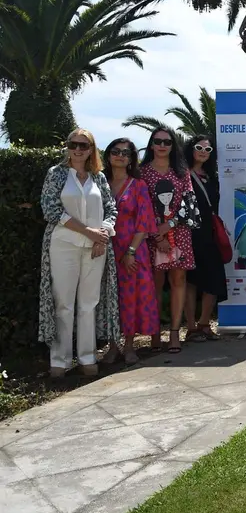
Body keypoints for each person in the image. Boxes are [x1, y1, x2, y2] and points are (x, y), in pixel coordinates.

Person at [38, 129, 121, 377]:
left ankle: (87, 358)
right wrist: (90, 232)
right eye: (73, 144)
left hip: (96, 248)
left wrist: (103, 234)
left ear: (91, 149)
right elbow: (51, 210)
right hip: (64, 245)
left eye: (83, 145)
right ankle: (59, 361)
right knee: (63, 302)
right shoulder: (57, 174)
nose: (78, 149)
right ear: (67, 146)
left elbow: (110, 208)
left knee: (89, 303)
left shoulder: (99, 178)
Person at [140, 127, 201, 354]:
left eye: (167, 142)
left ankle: (174, 333)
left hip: (180, 234)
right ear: (151, 144)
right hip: (151, 235)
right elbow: (141, 205)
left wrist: (170, 225)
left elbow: (190, 204)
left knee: (178, 281)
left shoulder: (181, 172)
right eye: (158, 141)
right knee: (155, 283)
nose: (162, 146)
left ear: (173, 146)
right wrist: (157, 232)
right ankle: (155, 333)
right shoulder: (142, 172)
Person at [102, 138, 157, 365]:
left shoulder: (138, 186)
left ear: (132, 159)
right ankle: (112, 346)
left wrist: (131, 251)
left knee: (130, 298)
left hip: (132, 250)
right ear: (108, 155)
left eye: (126, 153)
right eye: (116, 151)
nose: (120, 156)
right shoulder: (98, 183)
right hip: (103, 249)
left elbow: (144, 222)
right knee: (108, 297)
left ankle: (129, 345)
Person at [184, 135, 227, 342]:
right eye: (199, 147)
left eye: (207, 149)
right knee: (190, 281)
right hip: (188, 233)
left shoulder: (212, 176)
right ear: (190, 149)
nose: (203, 151)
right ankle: (191, 327)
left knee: (214, 278)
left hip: (210, 234)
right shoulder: (181, 175)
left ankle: (204, 323)